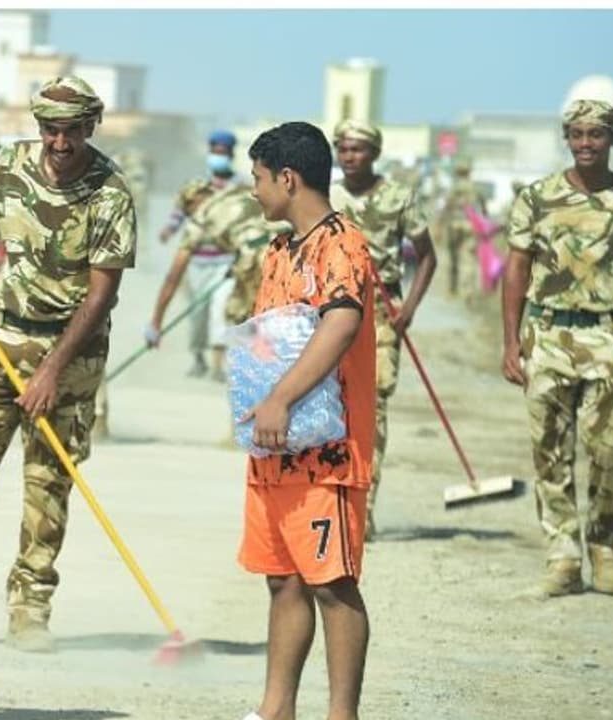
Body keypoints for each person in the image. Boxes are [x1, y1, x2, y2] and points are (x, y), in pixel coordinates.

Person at [0, 74, 135, 653]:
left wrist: (53, 369)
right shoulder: (8, 166)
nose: (60, 143)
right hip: (1, 345)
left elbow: (101, 293)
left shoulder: (109, 192)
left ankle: (30, 606)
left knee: (46, 482)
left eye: (73, 131)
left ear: (91, 126)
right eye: (51, 130)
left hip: (69, 356)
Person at [501, 99, 613, 598]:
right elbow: (516, 268)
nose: (585, 144)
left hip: (608, 337)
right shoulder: (537, 198)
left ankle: (606, 545)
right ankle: (563, 556)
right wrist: (511, 341)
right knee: (550, 452)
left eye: (596, 135)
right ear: (567, 138)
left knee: (608, 447)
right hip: (550, 334)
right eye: (577, 134)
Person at [237, 121, 375, 720]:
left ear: (287, 179)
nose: (254, 191)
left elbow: (339, 326)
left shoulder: (340, 245)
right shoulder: (279, 250)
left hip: (327, 455)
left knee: (332, 585)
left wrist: (282, 399)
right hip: (275, 450)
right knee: (283, 579)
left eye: (259, 179)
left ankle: (341, 715)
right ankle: (276, 710)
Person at [328, 119, 438, 539]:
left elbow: (427, 256)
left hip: (381, 308)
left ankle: (364, 505)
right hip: (331, 305)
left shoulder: (398, 198)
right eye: (344, 148)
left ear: (374, 153)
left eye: (358, 149)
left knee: (372, 406)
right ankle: (332, 495)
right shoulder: (327, 194)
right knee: (328, 402)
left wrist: (408, 308)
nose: (350, 156)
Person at [158, 130, 243, 377]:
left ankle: (218, 364)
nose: (218, 157)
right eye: (215, 152)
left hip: (226, 263)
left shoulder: (239, 189)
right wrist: (168, 230)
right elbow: (179, 212)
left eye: (223, 153)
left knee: (221, 312)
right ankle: (198, 358)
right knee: (197, 315)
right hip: (196, 264)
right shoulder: (196, 186)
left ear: (231, 154)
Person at [439, 155, 487, 301]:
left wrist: (439, 224)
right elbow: (484, 209)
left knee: (453, 258)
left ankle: (452, 290)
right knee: (469, 259)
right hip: (470, 226)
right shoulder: (475, 188)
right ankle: (468, 292)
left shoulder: (453, 188)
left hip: (454, 225)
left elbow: (446, 207)